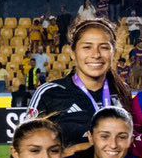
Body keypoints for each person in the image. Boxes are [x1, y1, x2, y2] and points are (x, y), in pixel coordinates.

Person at [29, 17, 132, 150]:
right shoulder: (49, 93)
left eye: (104, 47)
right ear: (73, 53)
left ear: (114, 53)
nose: (96, 54)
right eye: (87, 47)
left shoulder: (122, 92)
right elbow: (29, 151)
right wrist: (78, 151)